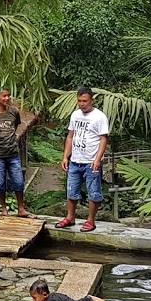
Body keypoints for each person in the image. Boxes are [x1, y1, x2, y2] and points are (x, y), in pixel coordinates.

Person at [58, 87, 110, 232]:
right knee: (71, 191)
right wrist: (65, 156)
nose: (82, 104)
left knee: (93, 192)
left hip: (91, 161)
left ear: (92, 100)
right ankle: (70, 217)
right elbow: (70, 136)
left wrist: (98, 159)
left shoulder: (99, 117)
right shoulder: (75, 115)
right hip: (75, 160)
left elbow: (103, 139)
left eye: (85, 101)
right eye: (79, 101)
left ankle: (90, 220)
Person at [0, 89, 34, 218]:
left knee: (18, 182)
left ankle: (21, 208)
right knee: (0, 183)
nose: (7, 98)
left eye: (8, 95)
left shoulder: (13, 111)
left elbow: (16, 125)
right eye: (4, 96)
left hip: (13, 153)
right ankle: (4, 208)